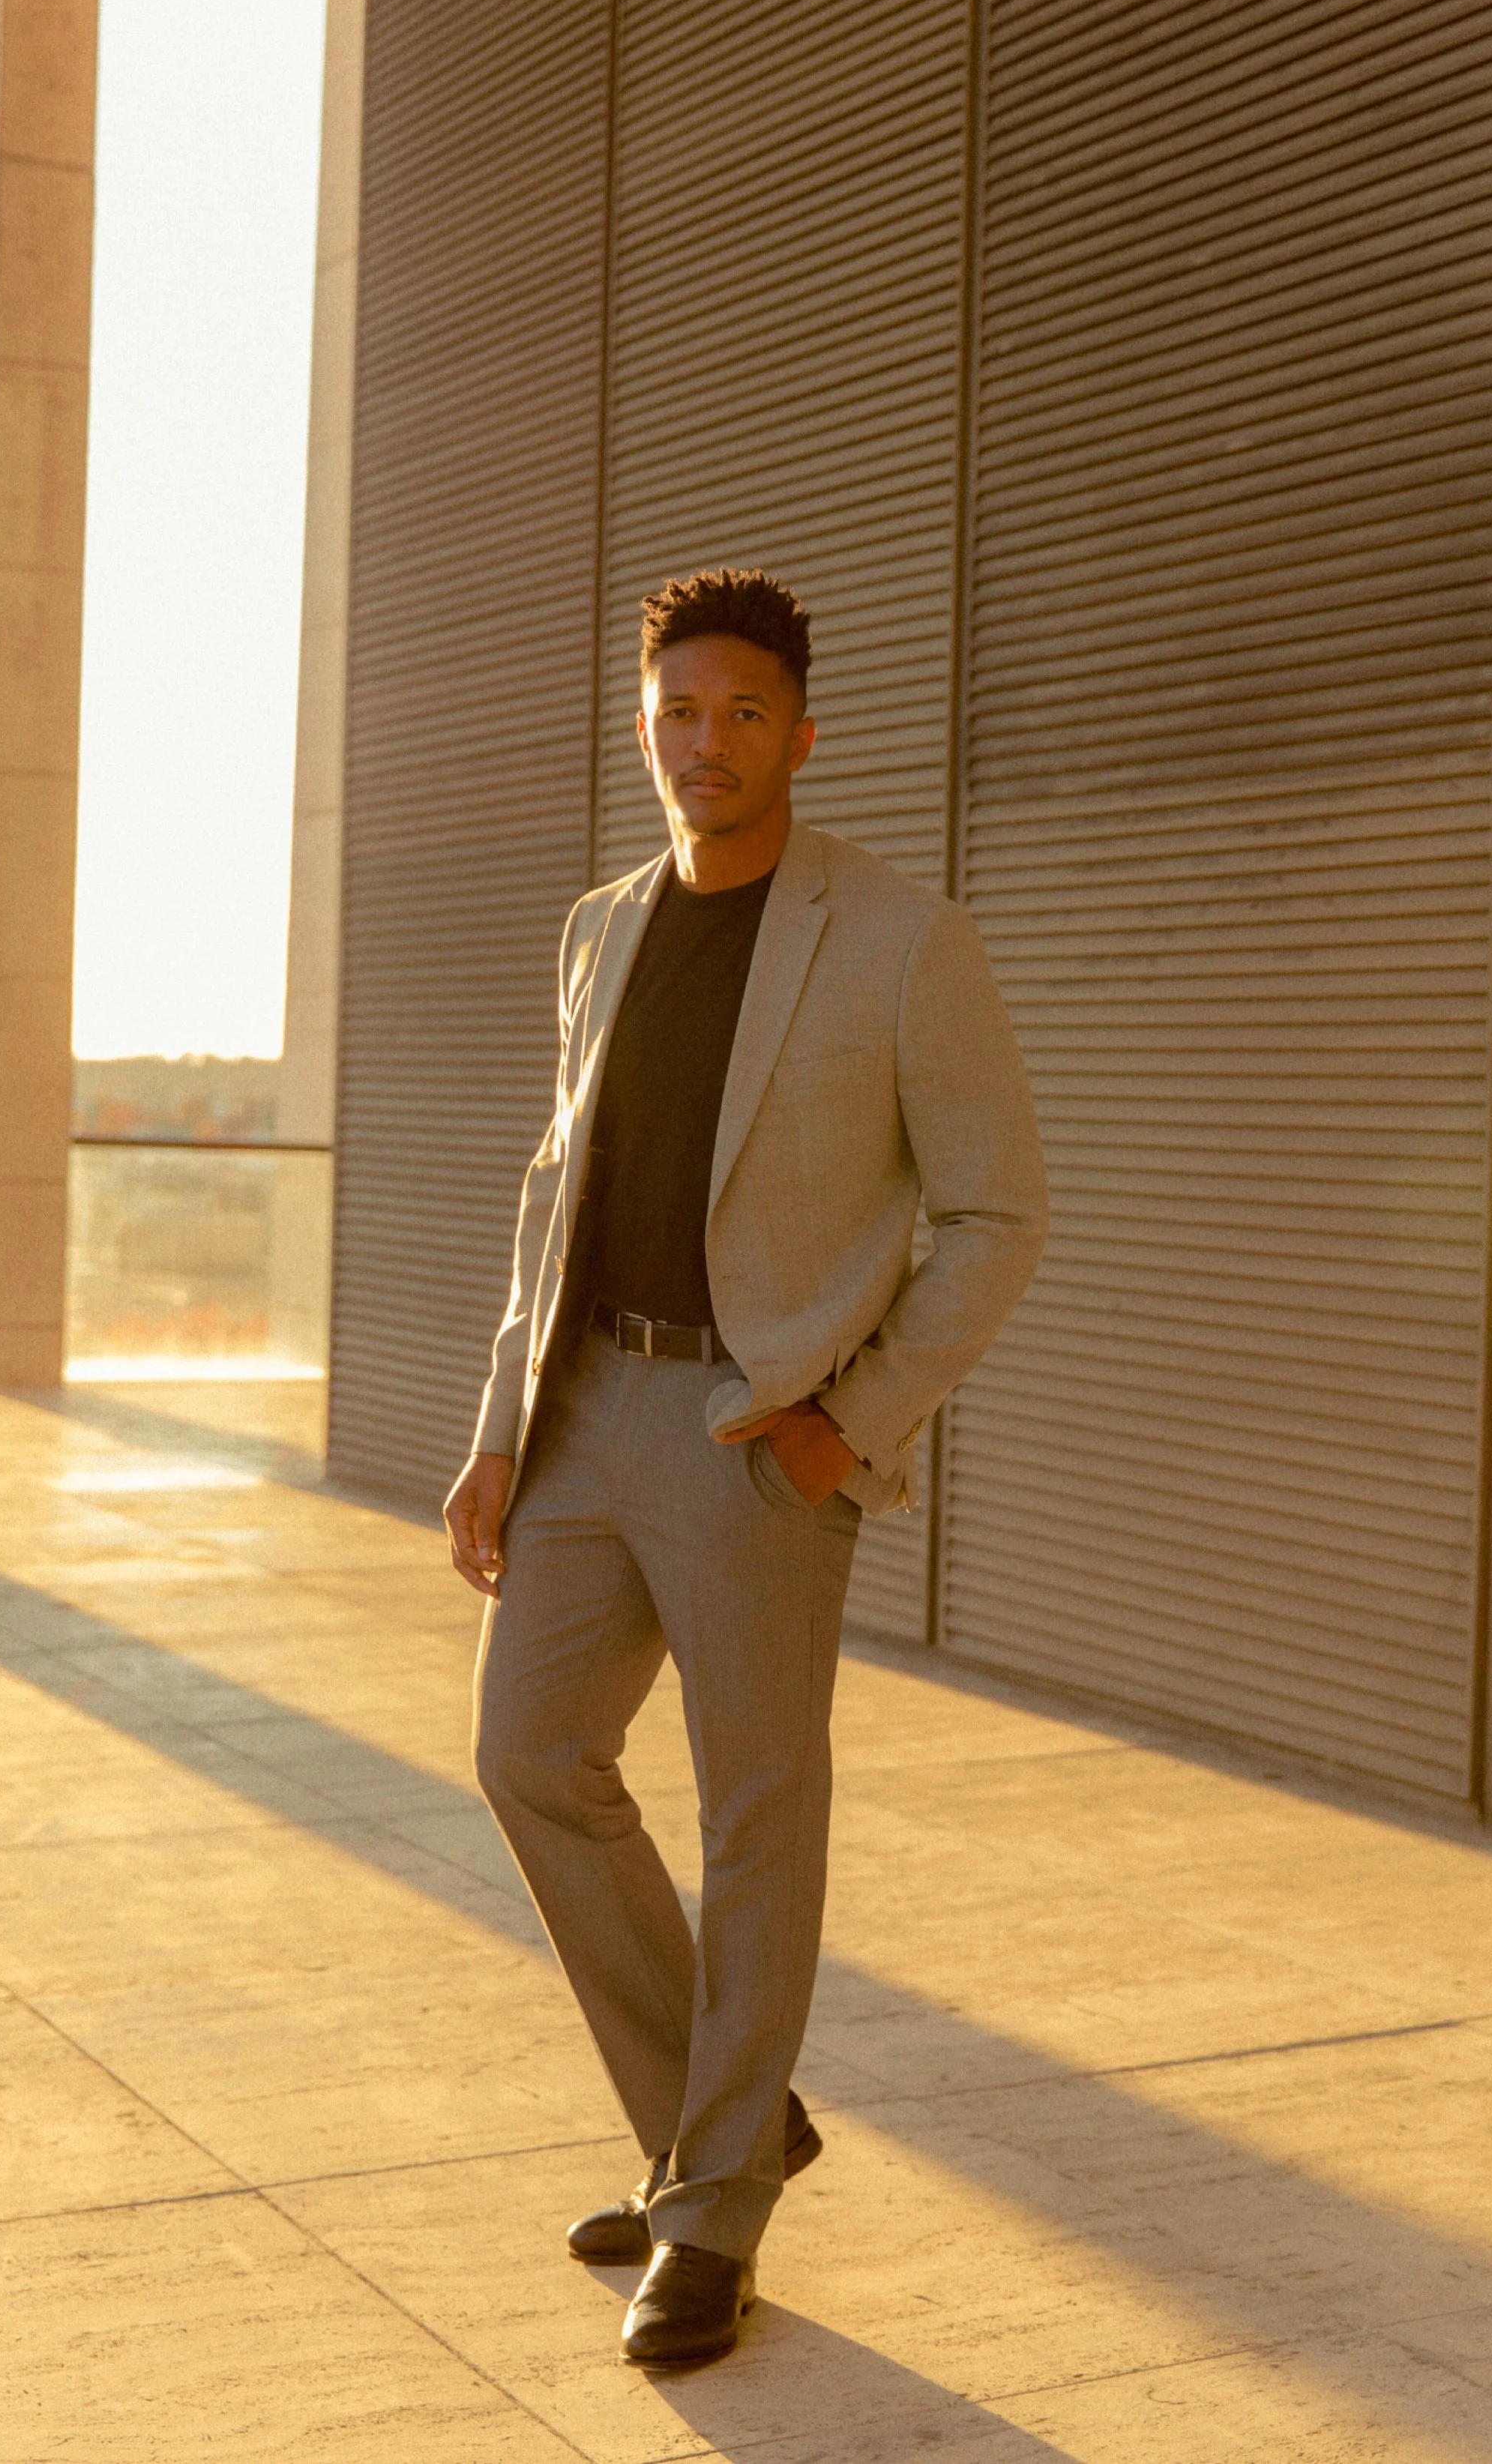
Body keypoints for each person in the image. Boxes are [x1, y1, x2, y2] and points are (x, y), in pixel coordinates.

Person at [445, 567, 1047, 2367]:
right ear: (641, 723)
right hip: (581, 1415)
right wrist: (494, 1434)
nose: (703, 744)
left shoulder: (895, 936)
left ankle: (709, 2213)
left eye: (740, 715)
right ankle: (723, 2129)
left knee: (755, 1813)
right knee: (528, 1757)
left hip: (750, 1434)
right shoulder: (599, 925)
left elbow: (998, 1211)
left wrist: (843, 1419)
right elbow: (552, 1195)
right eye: (675, 713)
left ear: (797, 729)